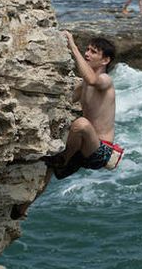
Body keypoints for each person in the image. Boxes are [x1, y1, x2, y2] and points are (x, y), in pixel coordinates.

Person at [46, 31, 118, 179]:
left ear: (105, 60)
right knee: (74, 123)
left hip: (101, 150)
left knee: (82, 123)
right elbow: (66, 101)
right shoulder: (83, 84)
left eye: (93, 52)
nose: (87, 54)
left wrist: (73, 47)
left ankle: (63, 161)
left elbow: (92, 80)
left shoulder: (105, 80)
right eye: (87, 50)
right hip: (83, 146)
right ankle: (65, 165)